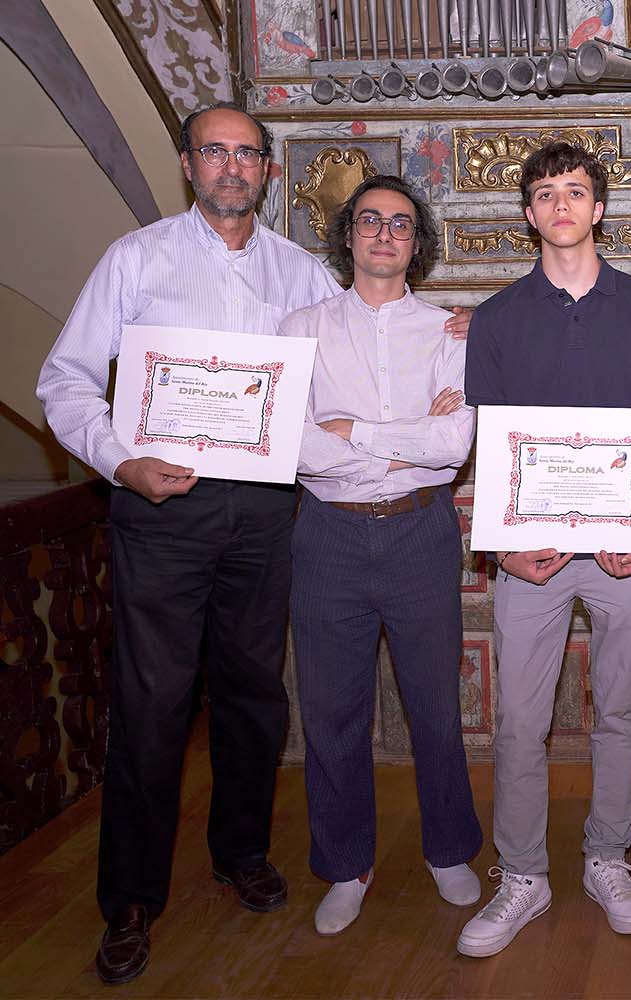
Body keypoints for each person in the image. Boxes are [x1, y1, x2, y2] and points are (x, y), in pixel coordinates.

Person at [34, 103, 337, 986]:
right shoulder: (137, 259)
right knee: (153, 702)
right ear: (187, 164)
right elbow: (65, 380)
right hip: (161, 511)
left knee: (252, 696)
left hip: (267, 512)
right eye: (215, 151)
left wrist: (448, 336)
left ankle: (240, 851)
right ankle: (130, 900)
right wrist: (121, 462)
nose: (231, 167)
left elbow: (347, 362)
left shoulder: (303, 272)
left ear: (267, 172)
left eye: (247, 154)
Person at [456, 142, 631, 957]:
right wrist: (502, 549)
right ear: (529, 213)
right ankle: (523, 875)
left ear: (599, 208)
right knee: (521, 720)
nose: (562, 206)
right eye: (546, 193)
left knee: (617, 712)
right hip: (532, 555)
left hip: (624, 552)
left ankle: (606, 859)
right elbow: (488, 445)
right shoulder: (497, 318)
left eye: (576, 192)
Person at [280, 175, 483, 935]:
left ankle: (449, 850)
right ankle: (346, 865)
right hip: (327, 534)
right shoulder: (298, 329)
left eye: (401, 223)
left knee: (435, 703)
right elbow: (293, 442)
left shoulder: (449, 332)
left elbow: (451, 444)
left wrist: (354, 431)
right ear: (348, 235)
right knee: (331, 710)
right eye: (370, 220)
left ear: (416, 242)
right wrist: (400, 439)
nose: (385, 233)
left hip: (418, 530)